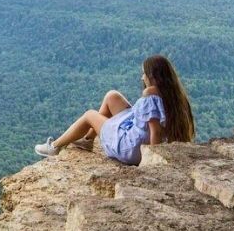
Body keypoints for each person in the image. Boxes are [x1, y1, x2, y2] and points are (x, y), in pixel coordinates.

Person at [34, 54, 195, 165]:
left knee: (90, 115)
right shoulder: (174, 95)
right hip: (138, 134)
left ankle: (54, 147)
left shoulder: (150, 94)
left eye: (144, 74)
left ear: (152, 77)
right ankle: (88, 140)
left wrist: (151, 159)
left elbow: (156, 131)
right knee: (112, 96)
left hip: (130, 147)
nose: (142, 78)